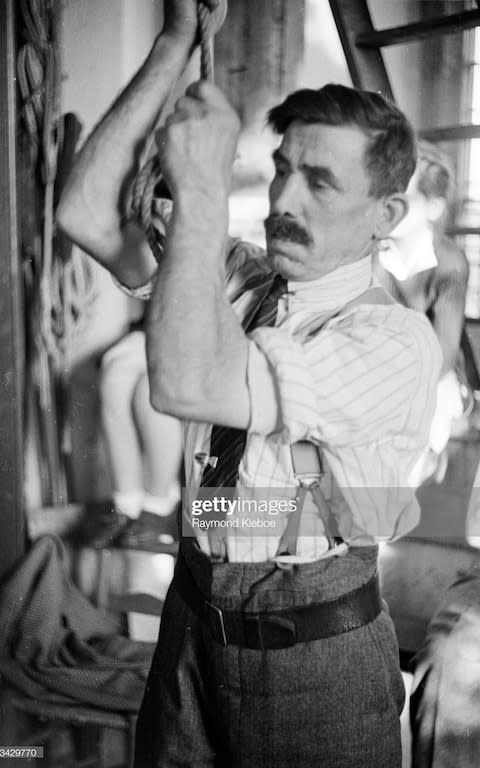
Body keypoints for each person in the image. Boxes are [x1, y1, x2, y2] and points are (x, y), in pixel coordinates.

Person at [56, 1, 442, 765]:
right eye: (282, 170)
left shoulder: (394, 340)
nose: (282, 203)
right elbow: (85, 212)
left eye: (320, 183)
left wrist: (201, 188)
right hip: (193, 618)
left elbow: (189, 384)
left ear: (385, 214)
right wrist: (173, 44)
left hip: (315, 664)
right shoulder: (243, 277)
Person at [374, 140, 470, 485]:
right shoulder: (370, 250)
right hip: (370, 369)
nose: (389, 203)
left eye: (403, 195)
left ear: (433, 207)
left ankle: (422, 464)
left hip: (426, 376)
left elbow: (443, 354)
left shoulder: (448, 263)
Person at [94, 325, 183, 551]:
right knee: (115, 373)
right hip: (171, 329)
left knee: (149, 390)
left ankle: (158, 507)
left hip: (208, 341)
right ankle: (127, 507)